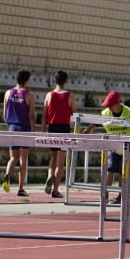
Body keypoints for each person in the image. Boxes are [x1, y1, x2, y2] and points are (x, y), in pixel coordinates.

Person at [86, 90, 130, 205]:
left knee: (123, 172)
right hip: (113, 146)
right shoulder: (105, 113)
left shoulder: (129, 113)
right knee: (109, 170)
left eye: (111, 105)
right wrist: (85, 133)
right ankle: (105, 195)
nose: (108, 107)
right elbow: (94, 124)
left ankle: (120, 196)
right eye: (107, 105)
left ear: (118, 103)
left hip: (127, 147)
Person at [1, 70, 34, 197]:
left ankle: (7, 175)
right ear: (26, 80)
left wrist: (10, 124)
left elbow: (4, 113)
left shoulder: (8, 93)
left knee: (13, 157)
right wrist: (33, 130)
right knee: (23, 159)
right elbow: (31, 115)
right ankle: (20, 188)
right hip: (24, 127)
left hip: (12, 127)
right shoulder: (29, 95)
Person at [43, 70, 74, 198]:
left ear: (55, 81)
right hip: (64, 128)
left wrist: (43, 129)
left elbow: (44, 114)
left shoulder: (49, 95)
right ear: (66, 81)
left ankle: (50, 175)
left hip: (52, 127)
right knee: (61, 162)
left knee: (53, 156)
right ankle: (55, 189)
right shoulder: (70, 96)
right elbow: (72, 112)